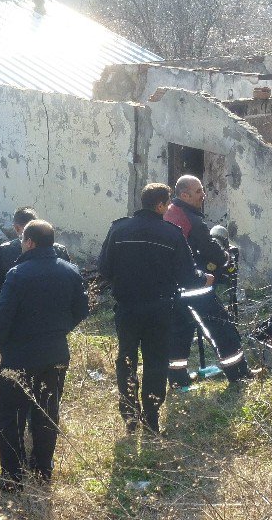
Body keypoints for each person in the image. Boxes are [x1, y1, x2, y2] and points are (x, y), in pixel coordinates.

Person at [97, 183, 208, 434]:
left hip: (127, 308)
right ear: (160, 205)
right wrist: (204, 277)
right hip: (160, 309)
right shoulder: (172, 234)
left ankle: (129, 414)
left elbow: (104, 268)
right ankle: (151, 417)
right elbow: (188, 276)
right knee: (156, 361)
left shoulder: (119, 229)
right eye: (167, 203)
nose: (169, 207)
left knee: (126, 359)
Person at [0, 220, 89, 492]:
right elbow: (81, 310)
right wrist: (59, 330)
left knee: (12, 417)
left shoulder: (18, 273)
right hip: (55, 353)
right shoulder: (71, 271)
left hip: (19, 356)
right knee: (47, 411)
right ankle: (43, 469)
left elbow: (1, 320)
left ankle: (12, 477)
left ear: (30, 242)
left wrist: (6, 346)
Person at [163, 176, 256, 386]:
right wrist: (225, 258)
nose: (203, 195)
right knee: (222, 328)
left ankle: (178, 379)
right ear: (184, 195)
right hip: (196, 287)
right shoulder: (191, 220)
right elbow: (210, 250)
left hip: (174, 289)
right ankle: (238, 373)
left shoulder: (169, 213)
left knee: (180, 332)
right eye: (198, 192)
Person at [0, 207, 72, 303]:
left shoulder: (5, 251)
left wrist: (7, 301)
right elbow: (71, 287)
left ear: (16, 227)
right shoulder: (60, 250)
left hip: (16, 311)